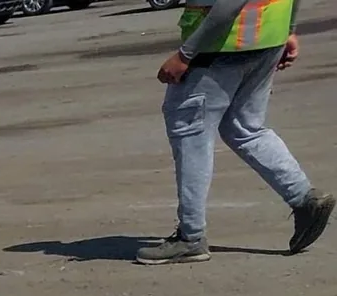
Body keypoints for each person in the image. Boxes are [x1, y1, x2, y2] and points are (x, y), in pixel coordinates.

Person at [140, 0, 333, 264]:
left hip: (221, 44)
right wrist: (289, 29)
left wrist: (185, 55)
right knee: (245, 127)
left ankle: (190, 237)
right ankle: (304, 199)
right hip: (268, 36)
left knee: (190, 131)